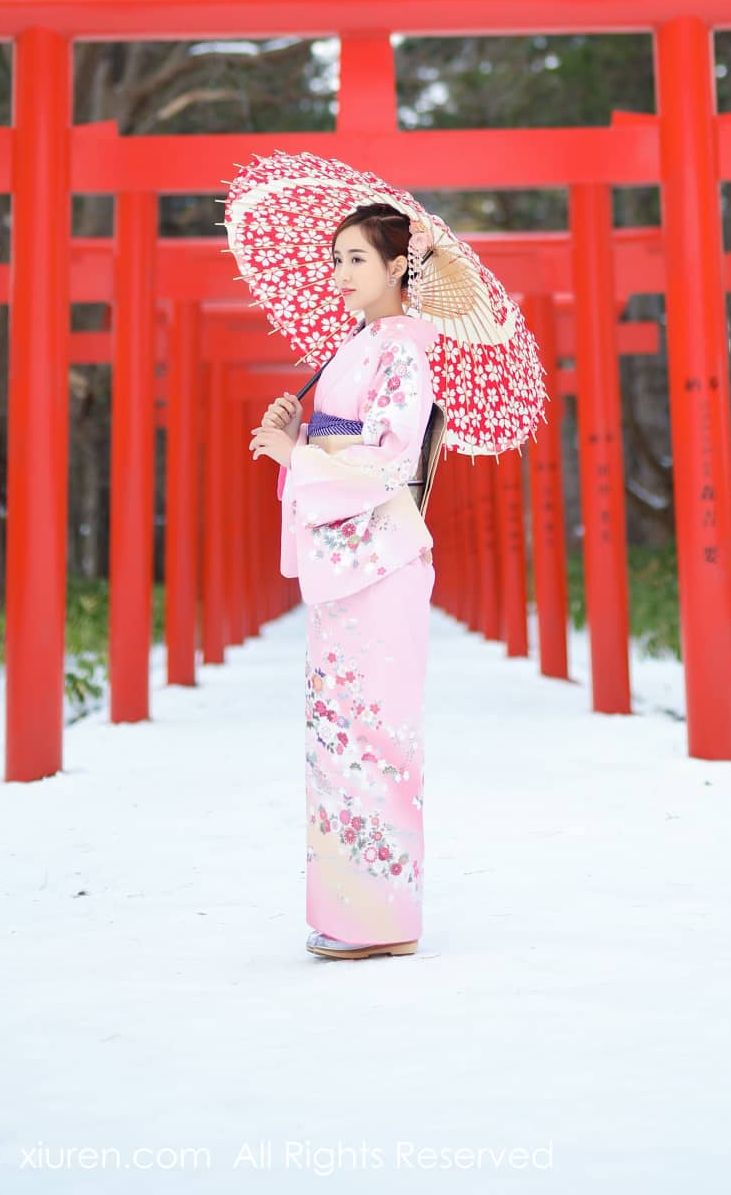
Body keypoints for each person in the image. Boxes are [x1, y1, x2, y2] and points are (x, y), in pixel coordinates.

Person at [250, 202, 438, 962]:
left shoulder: (405, 353)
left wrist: (299, 456)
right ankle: (355, 914)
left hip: (381, 565)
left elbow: (391, 459)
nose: (340, 273)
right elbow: (344, 443)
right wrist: (297, 433)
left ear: (398, 265)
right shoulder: (358, 347)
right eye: (336, 259)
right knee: (339, 737)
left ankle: (383, 920)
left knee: (377, 737)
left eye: (357, 258)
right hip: (346, 563)